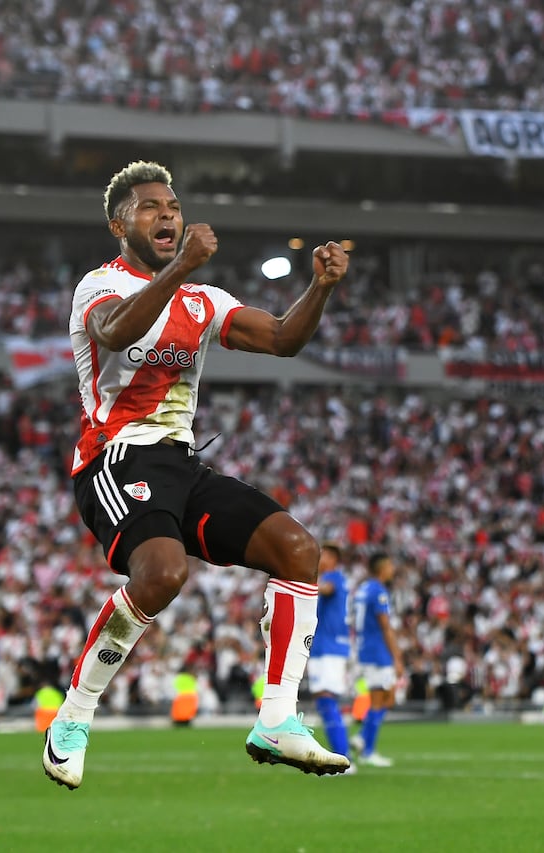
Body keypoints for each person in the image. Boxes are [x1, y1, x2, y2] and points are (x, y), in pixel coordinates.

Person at [43, 160, 351, 789]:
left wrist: (319, 287)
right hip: (115, 457)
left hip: (179, 463)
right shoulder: (99, 285)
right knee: (162, 572)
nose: (166, 215)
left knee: (298, 550)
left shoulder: (203, 302)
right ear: (118, 224)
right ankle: (72, 718)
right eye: (150, 207)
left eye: (173, 206)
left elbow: (284, 339)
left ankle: (277, 719)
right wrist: (181, 266)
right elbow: (117, 332)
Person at [350, 552, 403, 768]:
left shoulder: (363, 589)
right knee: (384, 699)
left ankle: (363, 740)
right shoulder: (379, 591)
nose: (392, 570)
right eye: (390, 565)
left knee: (383, 699)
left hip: (365, 649)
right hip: (378, 651)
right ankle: (366, 747)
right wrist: (397, 657)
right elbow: (386, 627)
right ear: (382, 568)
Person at [308, 542, 353, 770]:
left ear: (334, 559)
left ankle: (343, 757)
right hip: (321, 647)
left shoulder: (334, 577)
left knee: (327, 699)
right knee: (323, 701)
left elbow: (325, 589)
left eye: (323, 556)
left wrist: (301, 584)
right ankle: (340, 754)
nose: (319, 559)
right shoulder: (327, 579)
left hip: (331, 648)